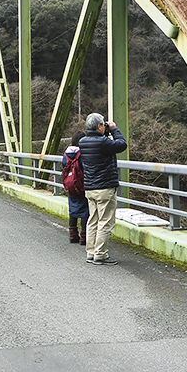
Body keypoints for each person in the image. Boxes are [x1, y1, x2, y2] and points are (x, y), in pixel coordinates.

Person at [79, 113, 127, 265]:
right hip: (104, 188)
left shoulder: (83, 142)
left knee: (92, 220)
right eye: (103, 125)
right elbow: (122, 145)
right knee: (105, 222)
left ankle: (91, 252)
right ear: (99, 126)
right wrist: (114, 129)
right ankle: (100, 254)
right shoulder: (103, 142)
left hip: (90, 188)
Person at [63, 131, 89, 245]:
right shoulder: (83, 153)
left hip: (71, 184)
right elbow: (85, 167)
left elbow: (64, 165)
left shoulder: (66, 153)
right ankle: (84, 236)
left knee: (73, 209)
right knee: (85, 210)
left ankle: (73, 235)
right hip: (82, 184)